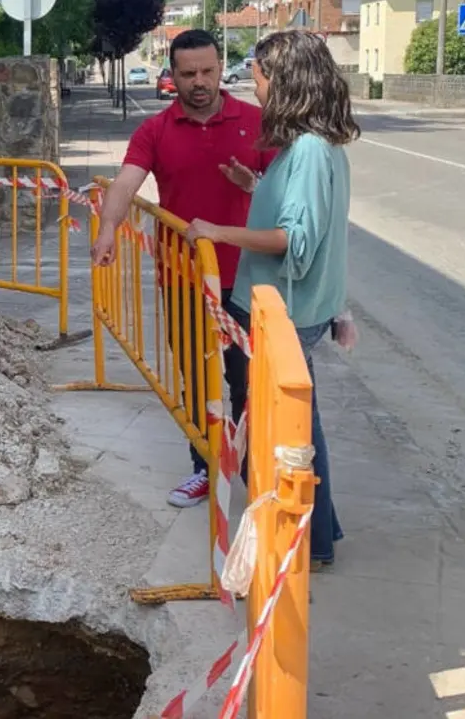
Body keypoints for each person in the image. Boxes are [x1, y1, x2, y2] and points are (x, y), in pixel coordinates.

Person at [185, 29, 361, 569]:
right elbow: (302, 218)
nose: (252, 84)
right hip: (290, 306)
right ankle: (318, 532)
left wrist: (219, 231)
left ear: (283, 81)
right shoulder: (310, 146)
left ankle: (302, 539)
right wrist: (252, 184)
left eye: (258, 74)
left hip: (281, 309)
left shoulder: (308, 150)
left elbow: (296, 241)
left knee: (283, 433)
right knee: (298, 426)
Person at [91, 28, 275, 509]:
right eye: (189, 73)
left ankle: (255, 475)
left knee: (248, 382)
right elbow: (126, 181)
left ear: (221, 69)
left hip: (247, 281)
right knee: (197, 379)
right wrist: (108, 229)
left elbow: (284, 193)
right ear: (172, 75)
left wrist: (254, 184)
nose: (200, 82)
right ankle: (205, 469)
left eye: (208, 71)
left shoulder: (257, 122)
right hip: (184, 280)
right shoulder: (156, 130)